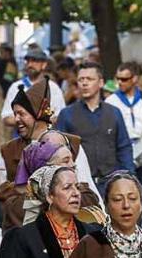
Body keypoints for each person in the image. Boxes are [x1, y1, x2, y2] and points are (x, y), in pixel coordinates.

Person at [55, 62, 134, 191]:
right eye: (81, 79)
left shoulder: (114, 113)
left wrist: (129, 177)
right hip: (80, 185)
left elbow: (124, 148)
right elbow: (58, 151)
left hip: (111, 183)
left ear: (101, 83)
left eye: (90, 79)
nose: (84, 83)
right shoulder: (67, 114)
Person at [106, 61, 142, 192]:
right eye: (118, 79)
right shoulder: (111, 101)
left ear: (134, 79)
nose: (120, 82)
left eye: (124, 79)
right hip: (121, 153)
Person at [1, 45, 65, 134]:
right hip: (21, 138)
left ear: (44, 64)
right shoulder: (16, 87)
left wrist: (41, 121)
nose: (30, 64)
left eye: (35, 61)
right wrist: (27, 120)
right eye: (28, 61)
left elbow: (60, 116)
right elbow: (6, 118)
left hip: (47, 138)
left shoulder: (53, 88)